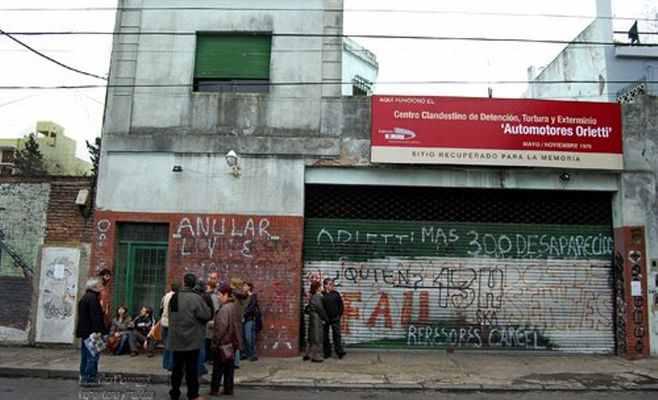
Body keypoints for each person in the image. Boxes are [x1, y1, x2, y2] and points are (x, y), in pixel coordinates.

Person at [168, 272, 212, 400]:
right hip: (192, 339)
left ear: (184, 282)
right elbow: (206, 315)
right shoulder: (196, 298)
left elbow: (172, 316)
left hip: (176, 339)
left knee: (176, 369)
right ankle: (193, 395)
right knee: (191, 369)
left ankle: (174, 393)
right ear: (194, 284)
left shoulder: (175, 297)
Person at [209, 283, 243, 396]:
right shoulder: (235, 306)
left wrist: (215, 343)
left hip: (223, 343)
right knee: (229, 369)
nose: (218, 297)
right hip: (232, 343)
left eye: (219, 294)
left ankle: (214, 390)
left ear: (226, 294)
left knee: (218, 369)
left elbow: (221, 328)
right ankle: (228, 389)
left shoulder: (224, 309)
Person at [76, 278, 109, 386]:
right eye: (100, 285)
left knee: (85, 356)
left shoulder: (85, 298)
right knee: (92, 356)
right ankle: (89, 378)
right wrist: (99, 331)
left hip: (85, 332)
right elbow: (96, 318)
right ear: (94, 287)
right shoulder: (93, 299)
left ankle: (83, 376)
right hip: (92, 333)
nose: (101, 287)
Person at [303, 281, 329, 363]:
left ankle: (307, 354)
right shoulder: (317, 297)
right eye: (320, 286)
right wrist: (325, 318)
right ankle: (316, 356)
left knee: (312, 337)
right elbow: (320, 309)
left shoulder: (313, 296)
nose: (322, 288)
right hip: (317, 319)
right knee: (317, 337)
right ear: (317, 288)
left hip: (313, 318)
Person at [322, 278, 346, 359]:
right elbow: (320, 307)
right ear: (325, 285)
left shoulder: (336, 294)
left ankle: (339, 352)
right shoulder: (322, 295)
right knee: (325, 337)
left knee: (337, 335)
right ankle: (327, 353)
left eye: (332, 284)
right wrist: (323, 318)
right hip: (325, 319)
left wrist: (339, 315)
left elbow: (341, 305)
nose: (332, 286)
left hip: (335, 318)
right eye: (330, 284)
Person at [160, 281, 179, 370]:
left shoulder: (165, 296)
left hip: (164, 322)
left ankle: (165, 363)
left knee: (166, 344)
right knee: (172, 344)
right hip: (172, 323)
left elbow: (161, 309)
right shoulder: (177, 297)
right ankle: (171, 364)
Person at [242, 281, 260, 361]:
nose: (243, 287)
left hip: (250, 319)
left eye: (245, 286)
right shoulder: (244, 296)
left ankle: (253, 354)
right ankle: (247, 354)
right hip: (244, 320)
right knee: (246, 337)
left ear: (249, 287)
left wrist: (243, 314)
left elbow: (251, 308)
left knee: (249, 337)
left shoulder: (253, 296)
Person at [230, 278, 246, 369]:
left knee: (234, 339)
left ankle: (235, 362)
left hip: (235, 319)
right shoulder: (239, 293)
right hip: (237, 319)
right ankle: (236, 361)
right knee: (236, 339)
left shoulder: (236, 293)